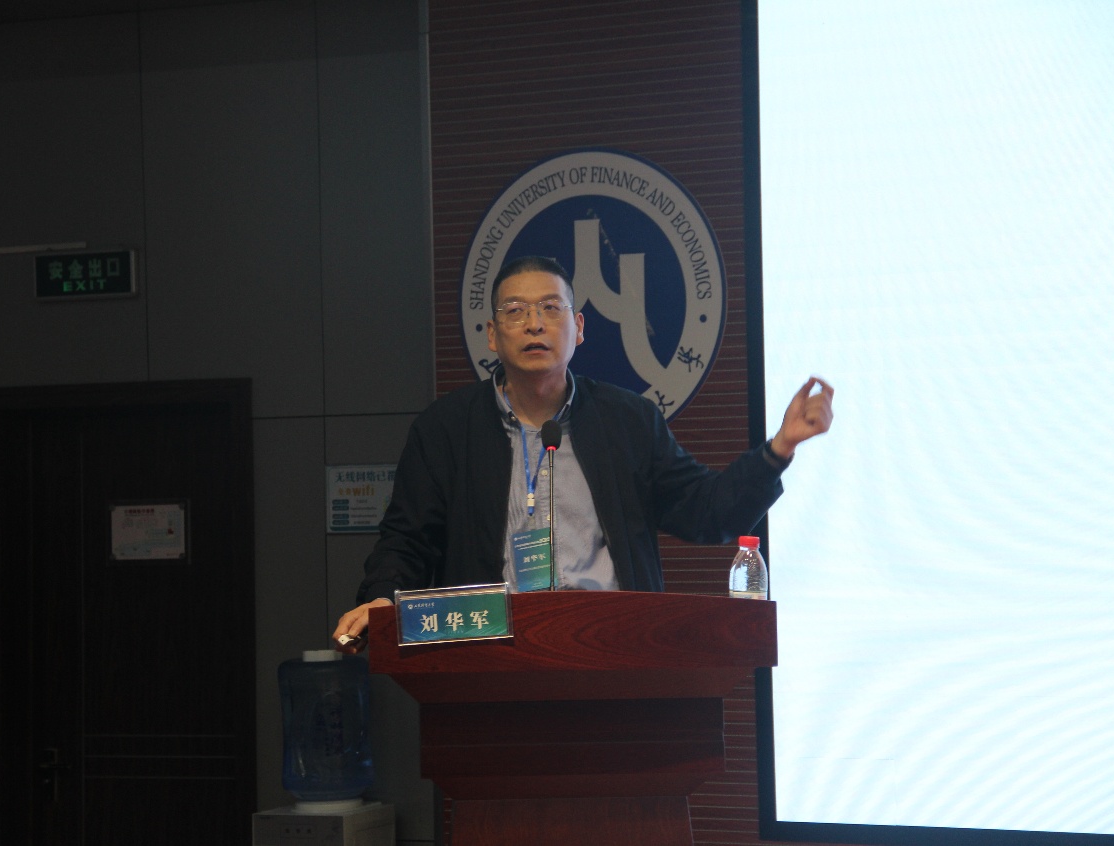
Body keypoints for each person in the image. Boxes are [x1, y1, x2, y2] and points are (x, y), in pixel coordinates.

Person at [333, 255, 833, 652]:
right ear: (491, 334)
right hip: (488, 655)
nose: (534, 324)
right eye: (515, 311)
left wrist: (779, 449)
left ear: (579, 327)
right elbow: (407, 539)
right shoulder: (445, 429)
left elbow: (706, 512)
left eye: (551, 309)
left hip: (613, 649)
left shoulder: (627, 421)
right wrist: (381, 598)